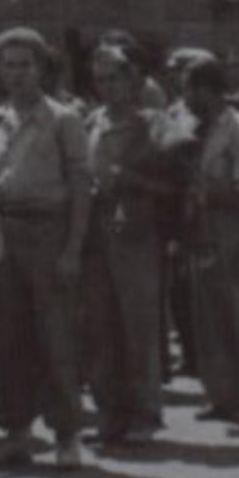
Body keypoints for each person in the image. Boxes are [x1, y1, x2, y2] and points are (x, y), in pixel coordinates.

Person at [0, 27, 90, 472]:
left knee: (56, 337)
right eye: (9, 65)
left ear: (41, 68)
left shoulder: (64, 119)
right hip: (5, 232)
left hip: (50, 231)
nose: (17, 74)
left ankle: (67, 435)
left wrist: (73, 249)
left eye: (26, 65)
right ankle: (17, 433)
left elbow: (81, 186)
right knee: (10, 339)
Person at [182, 55, 239, 424]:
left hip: (234, 232)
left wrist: (205, 191)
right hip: (200, 231)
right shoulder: (194, 128)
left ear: (207, 90)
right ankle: (220, 395)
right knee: (207, 318)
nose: (185, 97)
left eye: (188, 89)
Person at [82, 44, 167, 445]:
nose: (106, 86)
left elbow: (178, 185)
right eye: (99, 79)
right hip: (96, 231)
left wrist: (132, 181)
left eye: (114, 77)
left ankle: (145, 412)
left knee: (138, 325)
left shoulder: (154, 123)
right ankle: (110, 413)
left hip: (136, 231)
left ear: (132, 79)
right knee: (100, 325)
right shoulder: (90, 122)